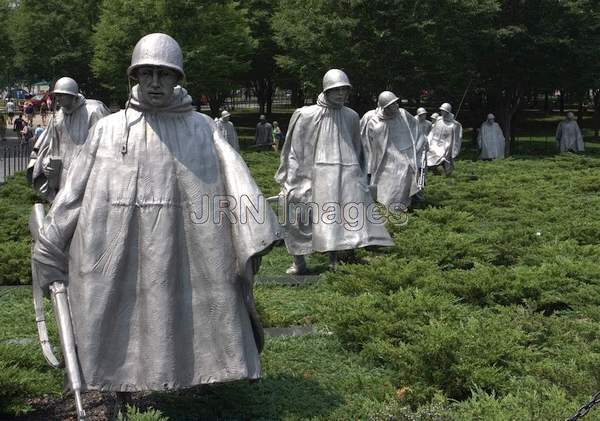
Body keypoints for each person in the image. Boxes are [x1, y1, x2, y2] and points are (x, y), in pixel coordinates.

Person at [31, 33, 279, 413]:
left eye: (164, 75)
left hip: (187, 249)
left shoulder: (201, 128)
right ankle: (119, 391)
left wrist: (250, 231)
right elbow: (74, 192)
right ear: (134, 77)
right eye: (145, 74)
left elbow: (237, 186)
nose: (154, 83)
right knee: (115, 321)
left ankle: (182, 378)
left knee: (178, 312)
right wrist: (51, 240)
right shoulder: (109, 129)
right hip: (115, 247)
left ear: (177, 77)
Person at [276, 69, 393, 275]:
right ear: (326, 90)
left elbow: (358, 149)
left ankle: (335, 259)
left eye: (344, 90)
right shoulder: (306, 114)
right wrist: (292, 178)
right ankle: (299, 262)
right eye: (336, 90)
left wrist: (360, 177)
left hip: (344, 176)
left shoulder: (351, 116)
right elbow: (294, 149)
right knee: (297, 215)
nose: (341, 94)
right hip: (309, 174)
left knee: (338, 219)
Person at [27, 77, 110, 202]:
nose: (59, 99)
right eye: (57, 96)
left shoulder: (93, 112)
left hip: (86, 174)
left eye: (62, 95)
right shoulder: (58, 116)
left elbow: (107, 145)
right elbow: (50, 145)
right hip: (62, 174)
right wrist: (45, 162)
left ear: (73, 96)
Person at [360, 91, 419, 212]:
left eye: (395, 103)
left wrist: (420, 145)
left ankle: (401, 205)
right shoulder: (375, 121)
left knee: (404, 171)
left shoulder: (403, 114)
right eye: (391, 105)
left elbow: (416, 127)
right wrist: (369, 161)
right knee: (388, 179)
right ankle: (388, 206)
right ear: (385, 108)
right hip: (384, 156)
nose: (395, 107)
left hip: (405, 153)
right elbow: (367, 142)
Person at [426, 103, 462, 176]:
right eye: (441, 110)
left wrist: (454, 150)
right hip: (435, 144)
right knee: (431, 155)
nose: (442, 112)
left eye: (444, 111)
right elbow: (433, 132)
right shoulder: (438, 120)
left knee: (444, 158)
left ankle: (445, 172)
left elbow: (456, 139)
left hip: (446, 146)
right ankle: (437, 171)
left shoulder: (454, 125)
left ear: (448, 111)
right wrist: (428, 140)